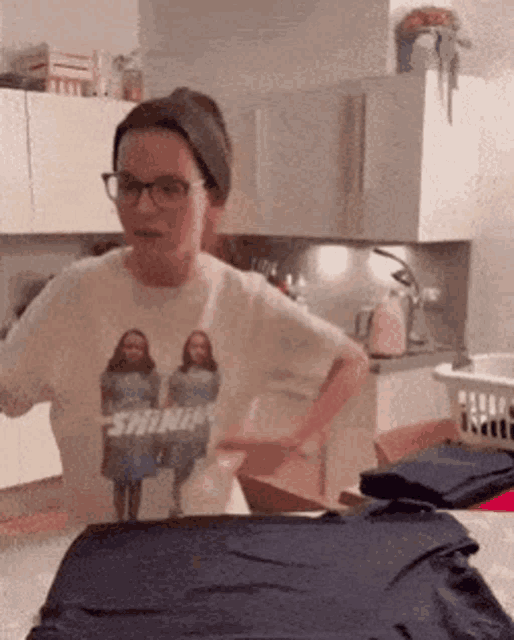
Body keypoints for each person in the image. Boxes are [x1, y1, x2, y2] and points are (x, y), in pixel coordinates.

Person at [0, 86, 368, 524]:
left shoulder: (244, 301)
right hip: (108, 554)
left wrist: (298, 438)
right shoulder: (74, 293)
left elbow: (350, 361)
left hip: (214, 540)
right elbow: (9, 392)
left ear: (214, 198)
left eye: (169, 188)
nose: (143, 206)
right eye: (129, 185)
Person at [100, 329, 161, 521]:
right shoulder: (110, 376)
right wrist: (106, 436)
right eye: (129, 346)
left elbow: (154, 406)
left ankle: (133, 521)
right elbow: (105, 408)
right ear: (121, 349)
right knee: (119, 481)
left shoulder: (151, 376)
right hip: (119, 435)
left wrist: (156, 435)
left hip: (142, 436)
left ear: (145, 351)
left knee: (136, 481)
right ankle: (120, 521)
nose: (133, 351)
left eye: (139, 347)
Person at [162, 330, 220, 515]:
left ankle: (190, 504)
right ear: (187, 349)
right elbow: (169, 401)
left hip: (201, 430)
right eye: (194, 346)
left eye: (202, 346)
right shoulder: (179, 374)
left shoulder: (214, 375)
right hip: (181, 428)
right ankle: (176, 503)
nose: (198, 350)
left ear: (208, 350)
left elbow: (216, 400)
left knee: (194, 468)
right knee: (180, 468)